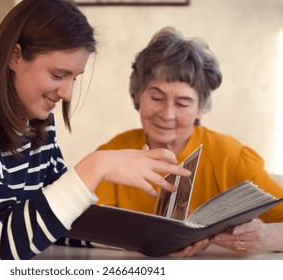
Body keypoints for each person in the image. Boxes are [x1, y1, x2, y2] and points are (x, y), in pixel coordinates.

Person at [0, 1, 190, 260]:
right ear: (15, 56)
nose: (68, 93)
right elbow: (1, 246)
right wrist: (97, 165)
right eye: (58, 74)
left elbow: (61, 221)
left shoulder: (37, 124)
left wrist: (162, 240)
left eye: (75, 77)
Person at [93, 26, 283, 256]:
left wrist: (267, 239)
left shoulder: (230, 155)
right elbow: (81, 226)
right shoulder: (113, 153)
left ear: (201, 108)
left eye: (183, 103)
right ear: (137, 95)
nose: (167, 114)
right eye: (156, 97)